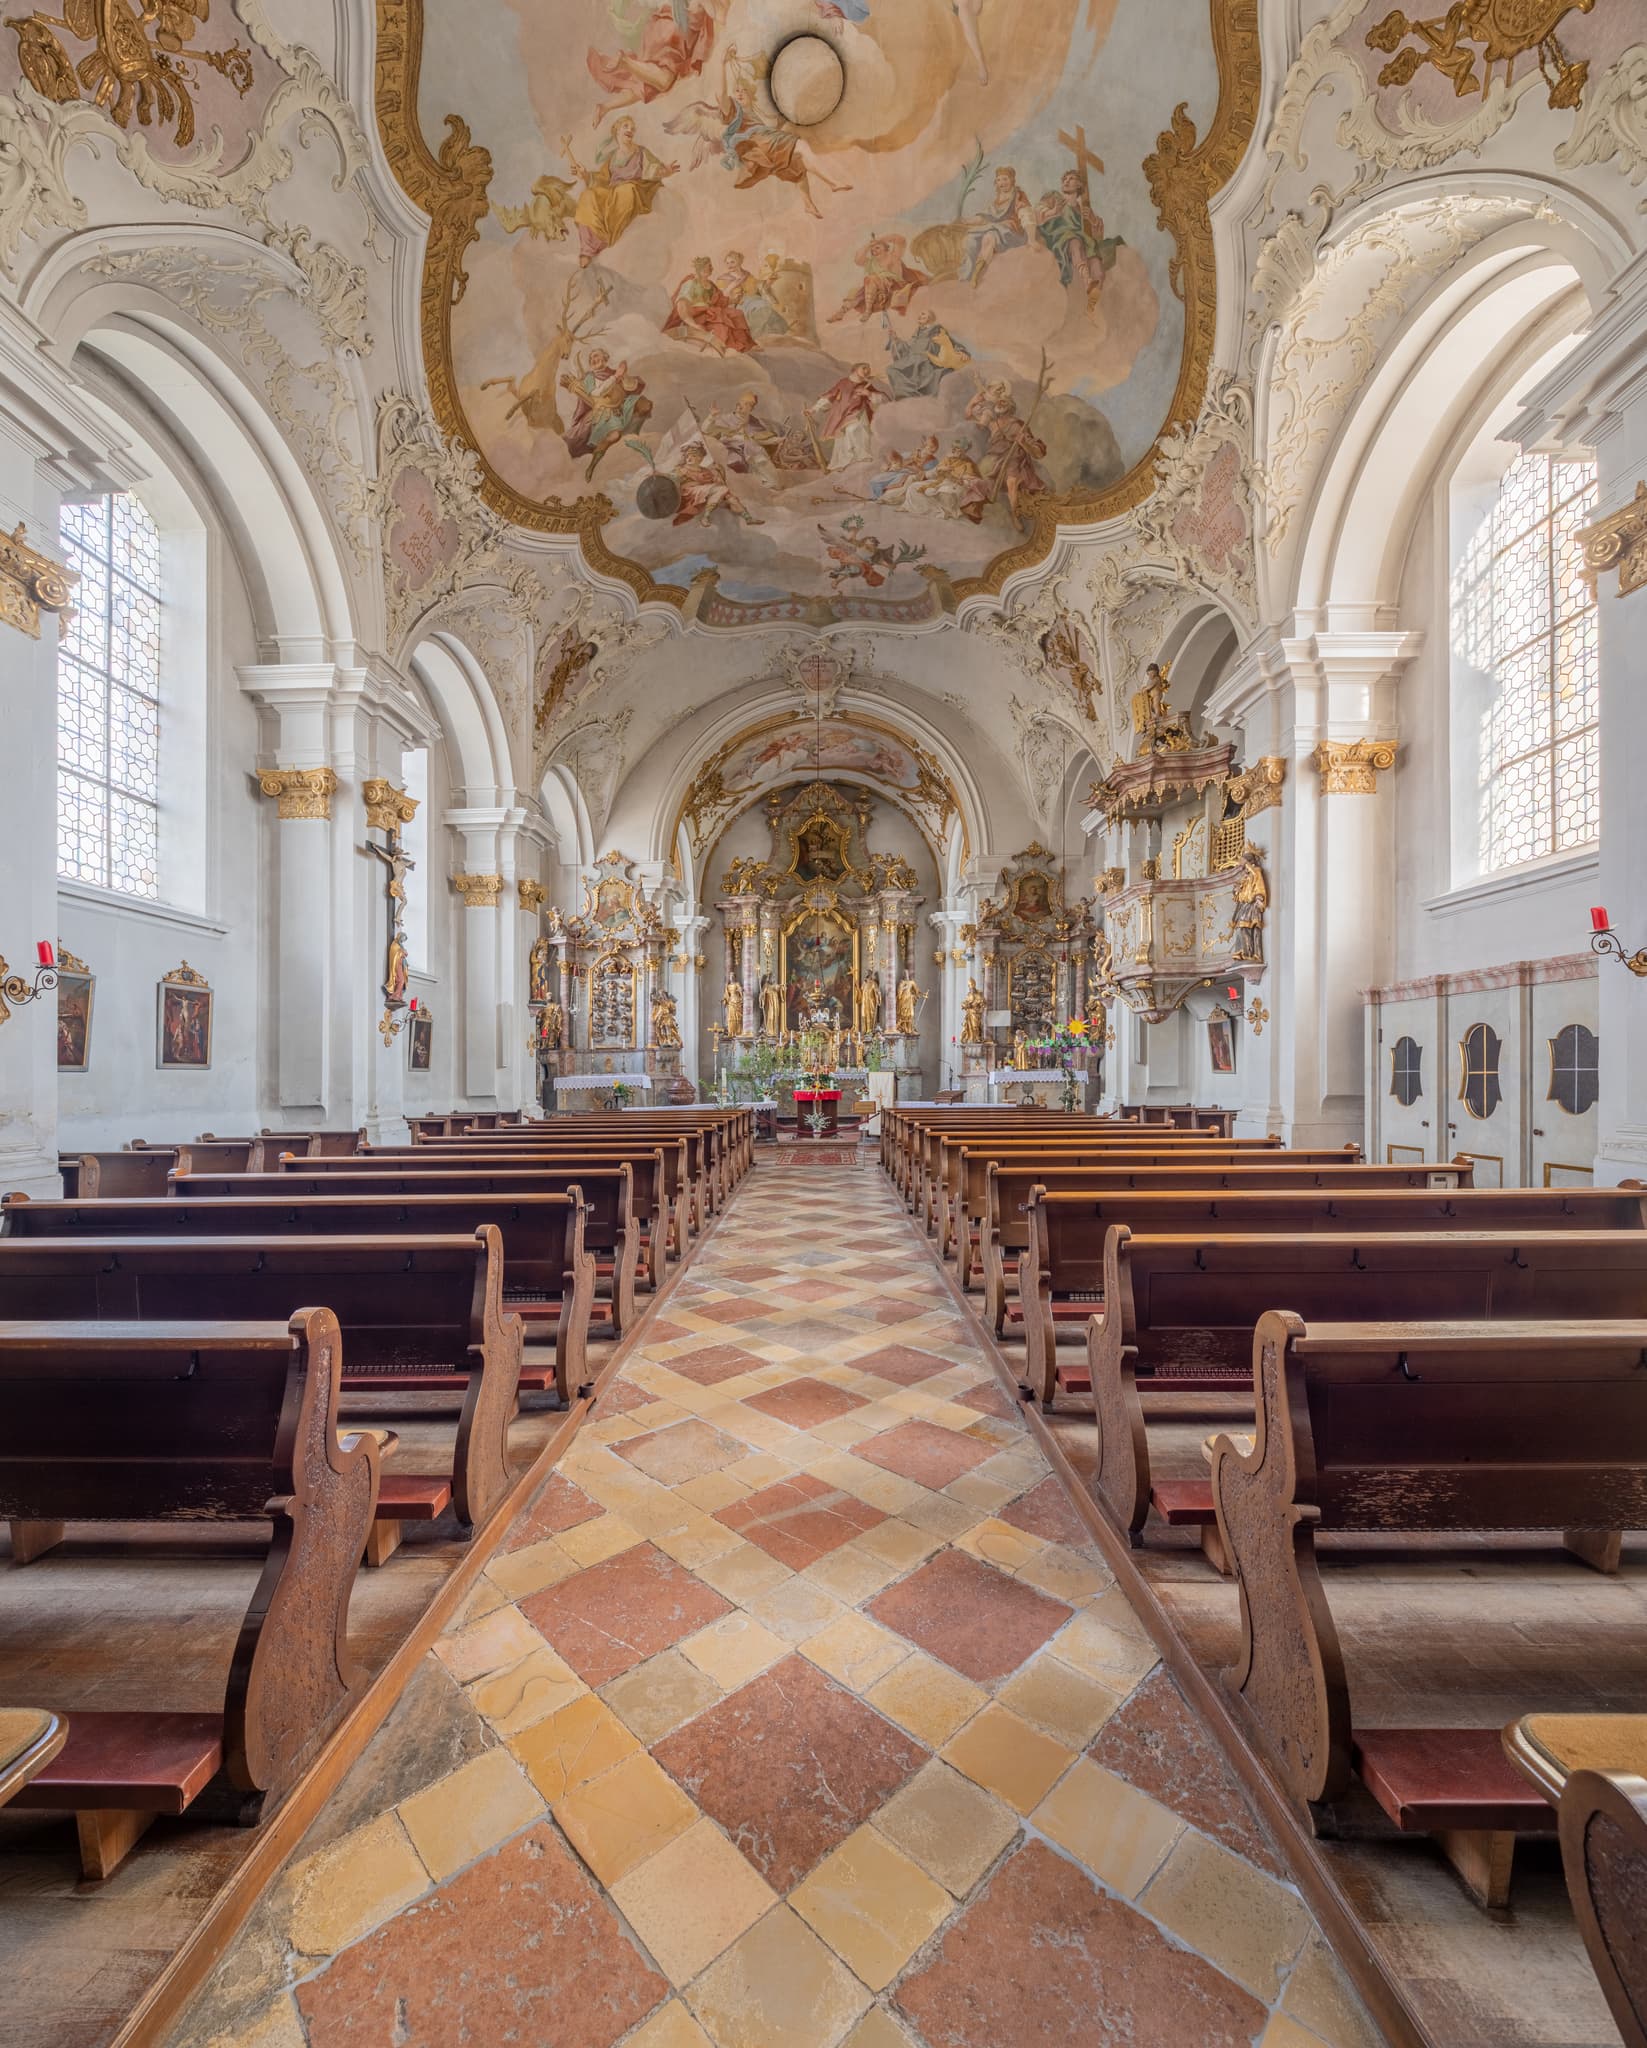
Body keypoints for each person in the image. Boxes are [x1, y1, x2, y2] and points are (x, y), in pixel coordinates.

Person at [565, 118, 679, 266]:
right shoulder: (612, 157)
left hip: (634, 190)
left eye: (633, 128)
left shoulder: (641, 152)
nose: (630, 130)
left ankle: (604, 239)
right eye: (626, 126)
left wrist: (665, 171)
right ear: (617, 130)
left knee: (627, 191)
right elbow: (603, 178)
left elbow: (653, 169)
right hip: (612, 192)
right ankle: (587, 249)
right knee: (588, 195)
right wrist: (585, 175)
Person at [1036, 170, 1124, 310]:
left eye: (1071, 178)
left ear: (1079, 185)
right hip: (1057, 239)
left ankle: (1092, 304)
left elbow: (1097, 238)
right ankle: (1087, 280)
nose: (1066, 180)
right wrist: (1053, 212)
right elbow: (1038, 214)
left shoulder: (1082, 210)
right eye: (1064, 178)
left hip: (1083, 244)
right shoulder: (1054, 197)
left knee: (1097, 266)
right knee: (1075, 241)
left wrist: (1093, 220)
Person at [560, 348, 651, 478]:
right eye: (591, 358)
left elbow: (632, 387)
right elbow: (596, 394)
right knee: (614, 435)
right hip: (602, 411)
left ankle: (631, 428)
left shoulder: (614, 373)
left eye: (596, 356)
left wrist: (624, 376)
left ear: (605, 358)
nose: (593, 360)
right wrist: (615, 377)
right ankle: (591, 467)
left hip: (619, 409)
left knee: (645, 404)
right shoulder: (590, 378)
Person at [664, 254, 757, 355]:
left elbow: (719, 301)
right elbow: (682, 305)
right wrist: (693, 324)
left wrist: (733, 300)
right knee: (721, 323)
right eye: (709, 266)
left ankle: (745, 345)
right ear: (702, 269)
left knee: (737, 314)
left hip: (710, 313)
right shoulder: (691, 283)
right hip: (697, 316)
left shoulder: (711, 285)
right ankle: (729, 348)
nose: (712, 268)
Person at [828, 233, 927, 323]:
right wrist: (868, 246)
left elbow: (900, 240)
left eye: (877, 248)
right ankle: (841, 313)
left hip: (894, 286)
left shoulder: (893, 256)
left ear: (885, 248)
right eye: (872, 250)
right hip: (875, 287)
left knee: (870, 279)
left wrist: (880, 239)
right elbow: (858, 260)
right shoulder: (872, 262)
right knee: (855, 292)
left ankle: (868, 310)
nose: (874, 251)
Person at [959, 165, 1033, 286]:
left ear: (1012, 180)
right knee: (971, 239)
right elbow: (985, 216)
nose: (1001, 183)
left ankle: (977, 273)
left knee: (990, 236)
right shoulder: (997, 199)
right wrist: (967, 221)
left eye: (1005, 179)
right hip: (998, 228)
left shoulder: (1018, 195)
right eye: (999, 180)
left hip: (1014, 233)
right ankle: (970, 271)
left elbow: (1026, 214)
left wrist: (1031, 237)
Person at [810, 362, 887, 471]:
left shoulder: (866, 385)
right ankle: (844, 462)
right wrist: (813, 409)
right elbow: (829, 396)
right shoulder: (843, 383)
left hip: (860, 413)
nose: (867, 371)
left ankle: (862, 456)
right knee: (844, 436)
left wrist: (868, 394)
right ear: (855, 369)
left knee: (858, 430)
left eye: (868, 369)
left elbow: (882, 399)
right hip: (843, 415)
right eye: (864, 368)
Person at [960, 977, 985, 1043]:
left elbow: (982, 1003)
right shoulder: (968, 995)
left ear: (974, 986)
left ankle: (977, 1038)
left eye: (972, 987)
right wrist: (964, 1005)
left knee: (975, 1026)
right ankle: (970, 1038)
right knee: (968, 1027)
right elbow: (966, 1002)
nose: (971, 989)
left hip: (976, 1013)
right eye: (970, 987)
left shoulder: (978, 994)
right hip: (969, 1013)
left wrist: (980, 1010)